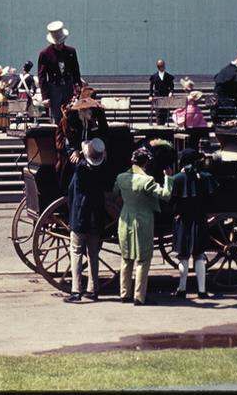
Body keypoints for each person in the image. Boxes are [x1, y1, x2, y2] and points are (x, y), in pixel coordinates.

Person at [113, 147, 173, 305]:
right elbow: (166, 195)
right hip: (143, 221)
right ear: (146, 163)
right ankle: (139, 297)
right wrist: (168, 178)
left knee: (126, 258)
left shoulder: (121, 177)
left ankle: (125, 294)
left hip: (125, 219)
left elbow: (114, 194)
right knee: (143, 259)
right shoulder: (147, 181)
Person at [63, 138, 110, 303]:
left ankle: (76, 290)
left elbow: (70, 191)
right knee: (93, 254)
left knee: (76, 252)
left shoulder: (79, 170)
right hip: (96, 217)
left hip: (80, 216)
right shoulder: (103, 170)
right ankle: (93, 288)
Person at [170, 148, 217, 299]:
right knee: (199, 256)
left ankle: (182, 289)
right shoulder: (205, 177)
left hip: (183, 222)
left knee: (183, 257)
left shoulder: (176, 179)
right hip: (199, 220)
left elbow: (172, 201)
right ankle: (202, 291)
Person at [56, 87, 110, 194]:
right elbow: (69, 134)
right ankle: (73, 192)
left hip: (91, 145)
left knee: (99, 166)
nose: (86, 109)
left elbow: (104, 131)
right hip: (72, 144)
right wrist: (76, 150)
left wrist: (102, 147)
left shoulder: (98, 112)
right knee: (80, 166)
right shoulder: (70, 114)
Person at [38, 20, 82, 127]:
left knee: (71, 115)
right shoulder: (45, 54)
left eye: (61, 43)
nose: (59, 45)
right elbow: (42, 76)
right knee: (57, 117)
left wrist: (78, 86)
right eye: (57, 44)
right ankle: (58, 135)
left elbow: (76, 70)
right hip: (54, 88)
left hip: (68, 87)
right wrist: (45, 96)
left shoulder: (71, 52)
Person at [149, 59, 175, 125]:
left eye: (162, 66)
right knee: (158, 112)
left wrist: (171, 92)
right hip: (157, 96)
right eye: (160, 66)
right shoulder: (154, 76)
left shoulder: (168, 76)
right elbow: (151, 87)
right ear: (158, 67)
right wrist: (150, 95)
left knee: (165, 112)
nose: (161, 67)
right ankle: (159, 125)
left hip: (165, 96)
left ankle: (163, 124)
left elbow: (172, 86)